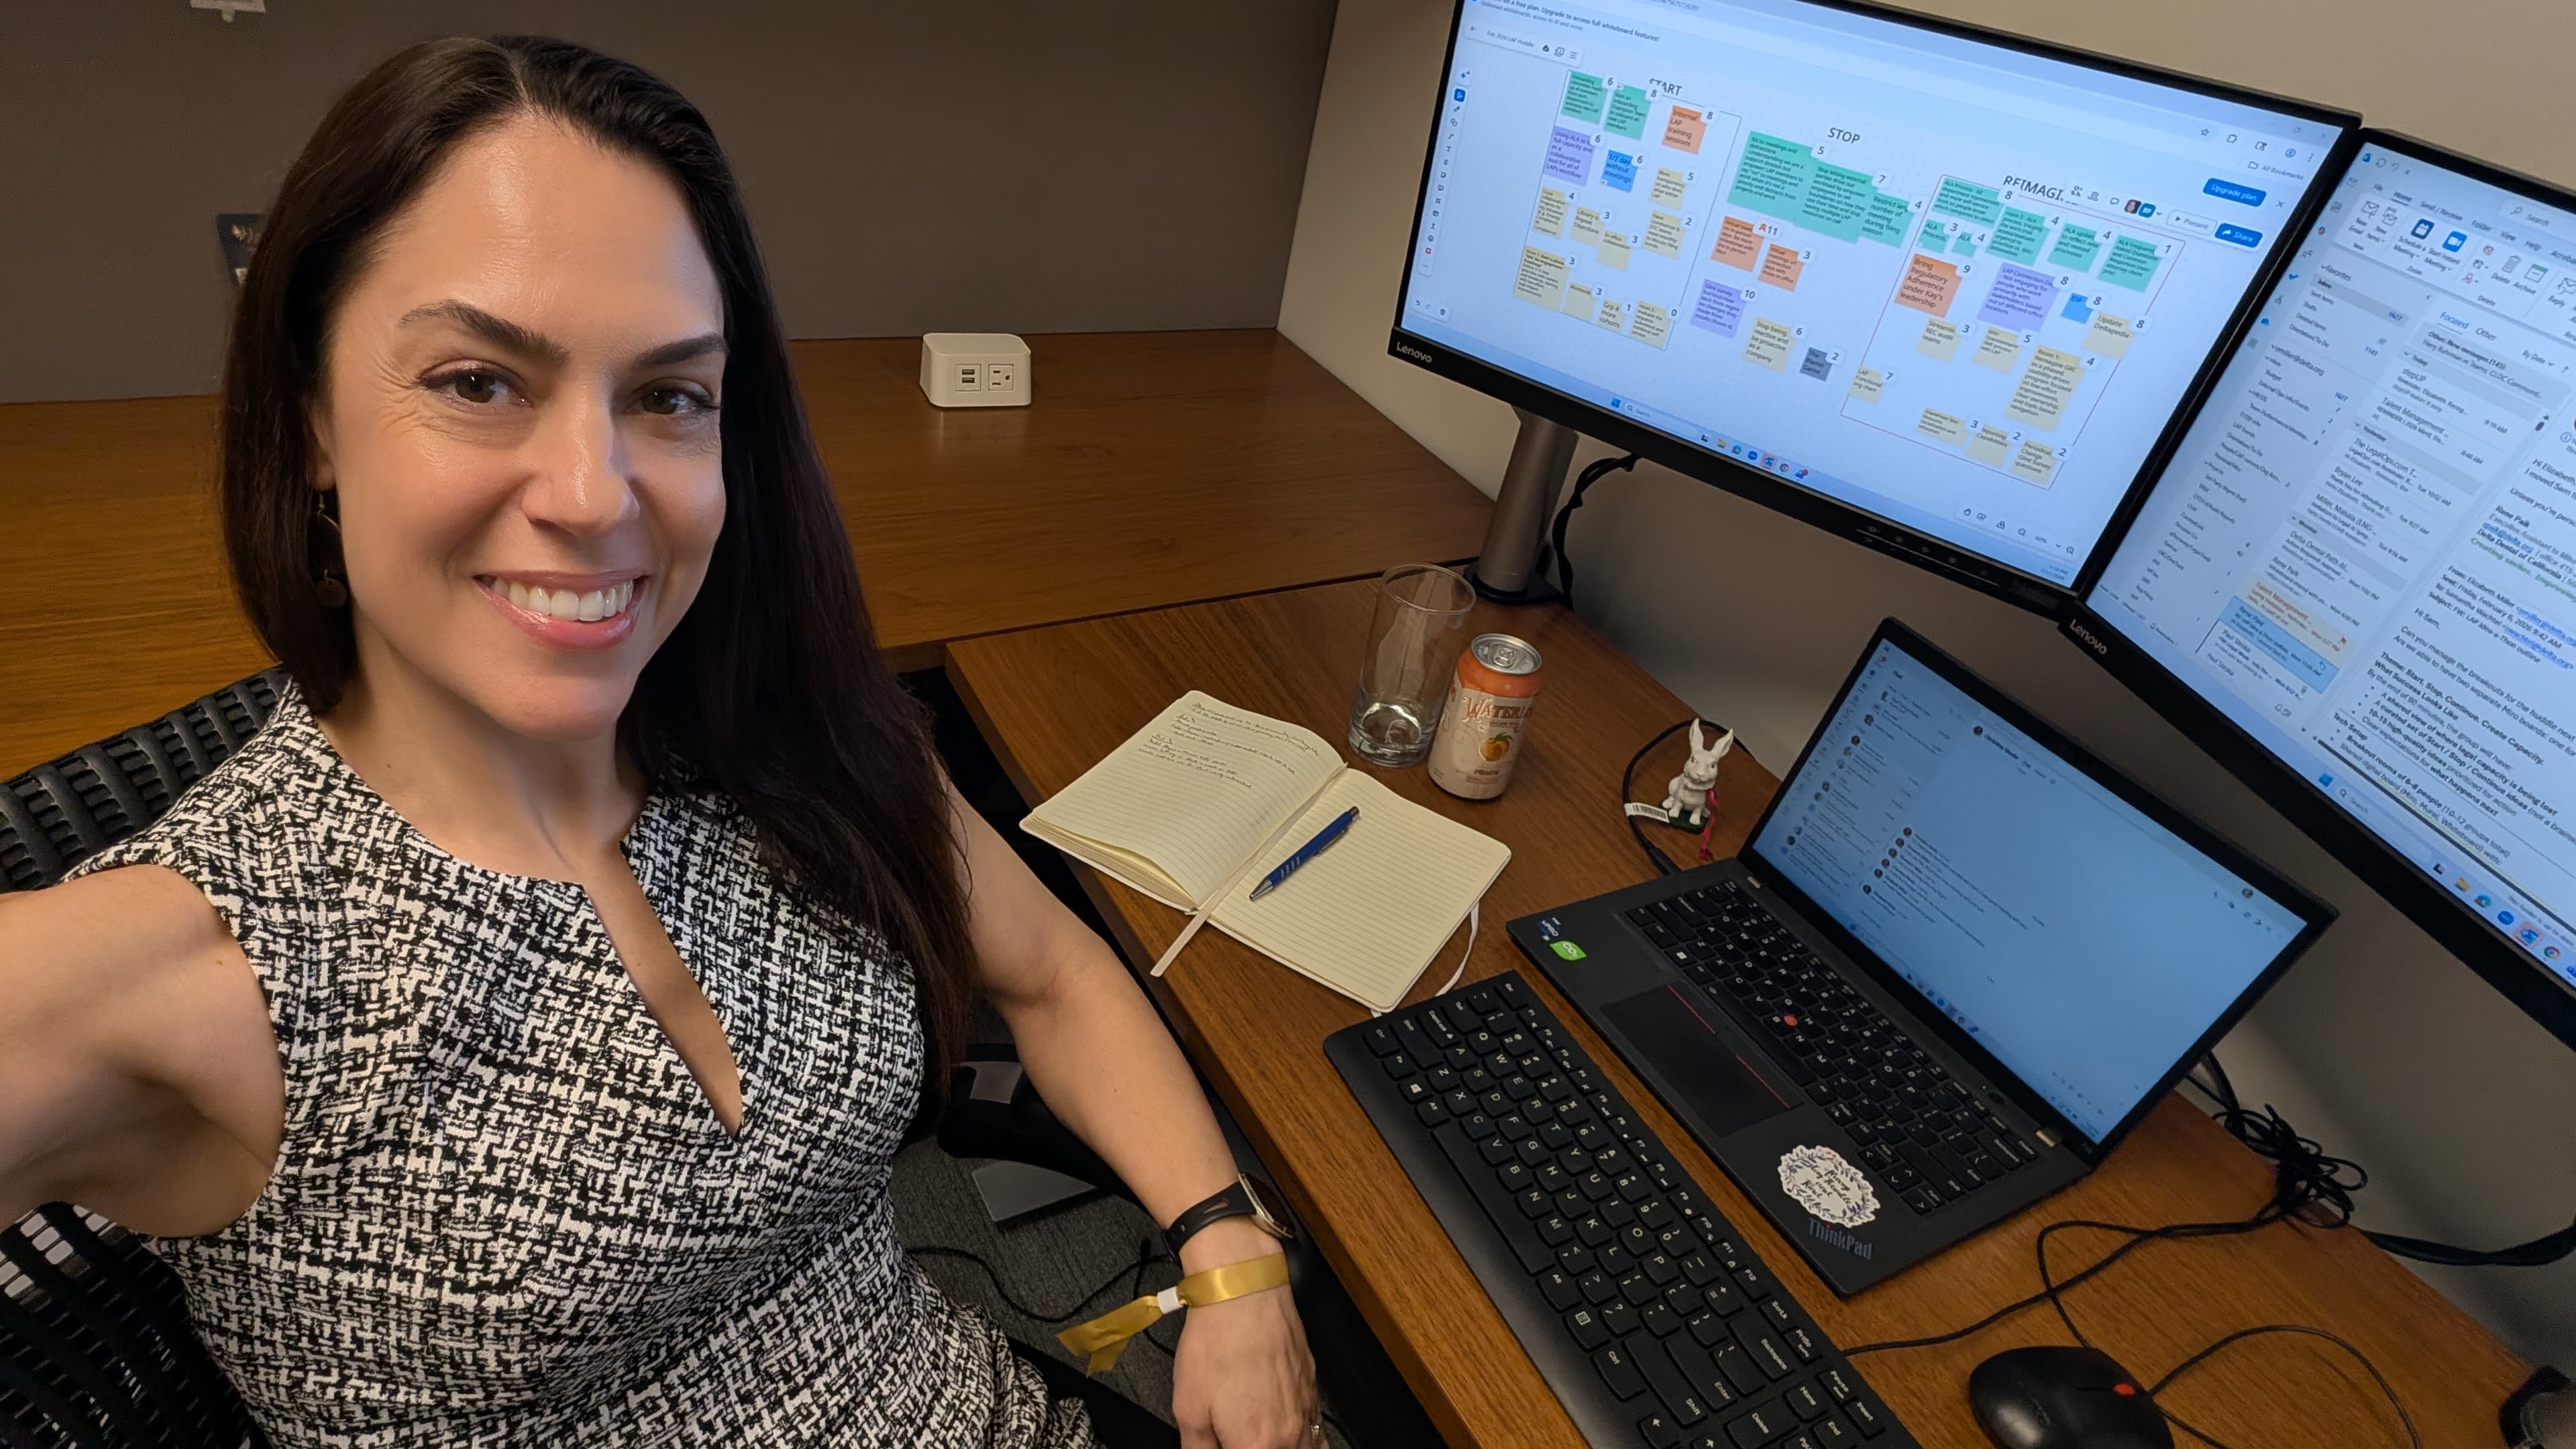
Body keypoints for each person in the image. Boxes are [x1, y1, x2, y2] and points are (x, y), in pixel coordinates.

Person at [0, 35, 1318, 1449]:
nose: (591, 490)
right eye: (477, 380)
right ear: (313, 415)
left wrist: (1229, 1252)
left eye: (668, 395)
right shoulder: (200, 961)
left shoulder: (778, 725)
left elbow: (1053, 976)